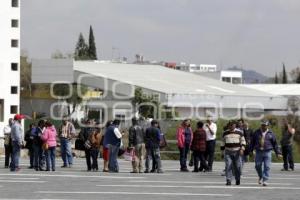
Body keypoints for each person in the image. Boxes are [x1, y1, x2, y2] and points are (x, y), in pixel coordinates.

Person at [250, 121, 282, 186]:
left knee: (267, 166)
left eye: (265, 125)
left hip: (267, 151)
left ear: (267, 126)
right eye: (262, 125)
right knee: (257, 166)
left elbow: (275, 144)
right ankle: (260, 176)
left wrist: (278, 153)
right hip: (258, 152)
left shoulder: (271, 133)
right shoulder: (256, 132)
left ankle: (265, 180)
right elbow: (252, 142)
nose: (263, 126)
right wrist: (251, 151)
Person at [221, 120, 246, 186]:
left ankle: (237, 179)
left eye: (233, 125)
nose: (231, 126)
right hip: (228, 152)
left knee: (238, 166)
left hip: (237, 152)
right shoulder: (225, 133)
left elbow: (243, 141)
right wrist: (222, 152)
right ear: (228, 125)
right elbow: (222, 143)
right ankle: (228, 180)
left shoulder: (239, 132)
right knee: (228, 165)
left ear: (235, 125)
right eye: (230, 125)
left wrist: (242, 149)